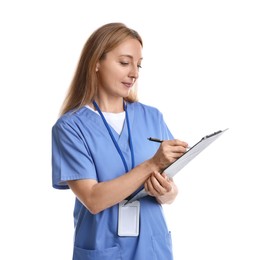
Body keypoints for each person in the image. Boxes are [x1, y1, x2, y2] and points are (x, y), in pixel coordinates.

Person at [52, 22, 188, 260]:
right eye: (124, 63)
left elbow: (171, 191)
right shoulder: (70, 127)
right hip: (104, 249)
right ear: (95, 62)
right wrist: (151, 164)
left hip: (153, 248)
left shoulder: (152, 117)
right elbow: (93, 199)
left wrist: (166, 192)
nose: (134, 73)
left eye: (138, 65)